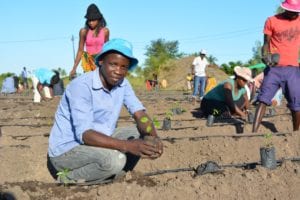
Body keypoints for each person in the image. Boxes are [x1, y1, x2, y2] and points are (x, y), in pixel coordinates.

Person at [48, 38, 163, 184]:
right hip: (68, 150)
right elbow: (85, 135)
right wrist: (128, 146)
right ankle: (67, 178)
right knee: (114, 160)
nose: (118, 71)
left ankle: (115, 177)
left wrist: (154, 137)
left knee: (139, 134)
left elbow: (140, 114)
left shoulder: (123, 84)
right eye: (113, 64)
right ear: (101, 61)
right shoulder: (81, 86)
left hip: (98, 137)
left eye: (124, 67)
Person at [252, 0, 300, 132]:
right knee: (263, 99)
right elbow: (265, 43)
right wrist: (264, 55)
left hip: (293, 69)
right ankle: (253, 133)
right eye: (293, 11)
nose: (295, 14)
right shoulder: (272, 21)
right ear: (285, 8)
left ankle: (295, 134)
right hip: (274, 68)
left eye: (297, 12)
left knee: (296, 104)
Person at [69, 3, 109, 78]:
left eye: (93, 20)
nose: (91, 22)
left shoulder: (105, 31)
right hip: (88, 63)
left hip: (101, 61)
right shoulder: (83, 32)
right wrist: (74, 68)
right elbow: (80, 50)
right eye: (89, 20)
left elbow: (107, 49)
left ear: (98, 19)